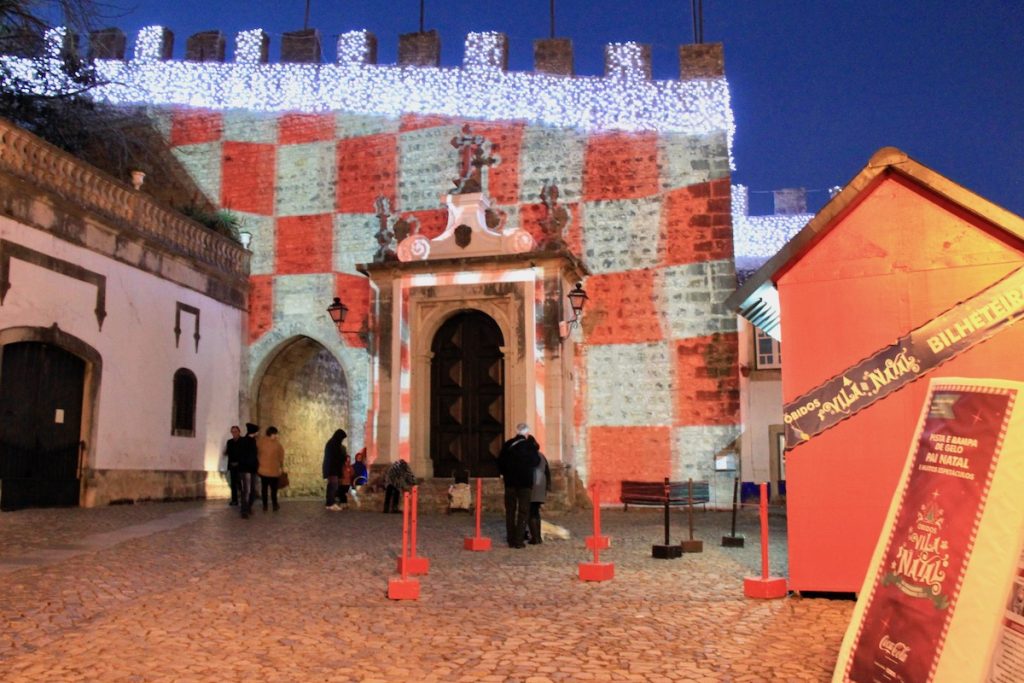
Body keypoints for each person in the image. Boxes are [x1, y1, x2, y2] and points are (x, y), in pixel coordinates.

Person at [497, 423, 540, 548]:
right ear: (527, 433)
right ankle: (519, 540)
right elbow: (536, 461)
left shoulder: (508, 444)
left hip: (510, 483)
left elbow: (500, 462)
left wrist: (505, 474)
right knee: (523, 511)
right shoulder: (529, 446)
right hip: (525, 483)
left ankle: (510, 539)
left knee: (510, 511)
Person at [256, 426, 285, 512]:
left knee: (264, 489)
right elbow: (281, 456)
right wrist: (281, 467)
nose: (276, 436)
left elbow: (256, 453)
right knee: (273, 490)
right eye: (275, 434)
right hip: (273, 471)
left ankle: (265, 506)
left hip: (263, 470)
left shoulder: (260, 442)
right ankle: (275, 505)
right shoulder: (277, 444)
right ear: (272, 434)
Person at [527, 449, 551, 545]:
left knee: (531, 512)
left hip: (533, 485)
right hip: (541, 484)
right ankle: (538, 536)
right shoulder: (541, 456)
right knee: (536, 512)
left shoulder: (530, 456)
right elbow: (547, 472)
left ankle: (535, 537)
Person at [238, 423, 260, 519]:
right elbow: (244, 456)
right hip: (246, 469)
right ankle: (244, 510)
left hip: (252, 469)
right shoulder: (244, 441)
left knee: (252, 490)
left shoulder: (253, 441)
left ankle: (248, 507)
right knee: (246, 490)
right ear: (254, 432)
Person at [322, 429, 347, 511]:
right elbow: (336, 457)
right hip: (332, 468)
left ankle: (330, 503)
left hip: (332, 468)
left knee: (332, 485)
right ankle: (330, 503)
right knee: (333, 485)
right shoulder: (333, 444)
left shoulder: (333, 443)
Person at [223, 425, 242, 506]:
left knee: (241, 484)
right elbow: (227, 452)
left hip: (240, 466)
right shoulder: (229, 442)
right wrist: (224, 453)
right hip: (232, 466)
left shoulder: (243, 441)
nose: (234, 433)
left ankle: (244, 499)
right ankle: (234, 500)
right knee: (233, 484)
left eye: (235, 431)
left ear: (239, 432)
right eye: (232, 432)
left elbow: (244, 454)